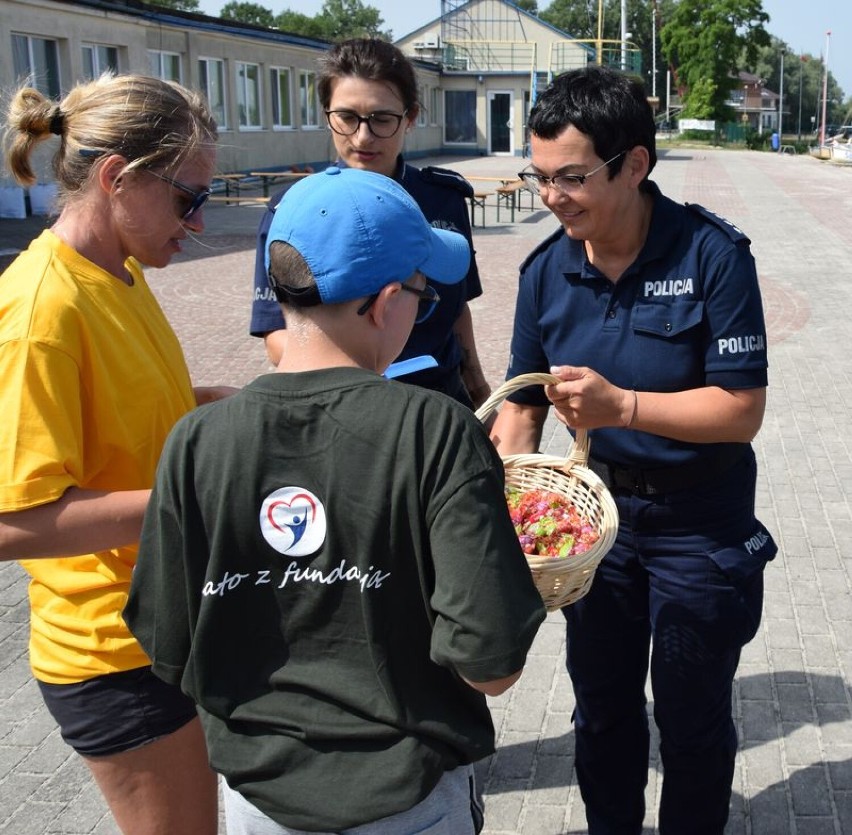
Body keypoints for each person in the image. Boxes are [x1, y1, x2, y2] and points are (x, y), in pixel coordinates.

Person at [124, 167, 546, 835]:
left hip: (258, 801)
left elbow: (167, 644)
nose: (423, 306)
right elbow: (491, 665)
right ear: (385, 303)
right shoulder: (434, 430)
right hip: (406, 799)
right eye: (423, 293)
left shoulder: (196, 440)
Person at [490, 65, 778, 834]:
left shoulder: (711, 255)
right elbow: (519, 412)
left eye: (573, 177)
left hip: (700, 524)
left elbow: (741, 409)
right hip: (600, 531)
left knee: (690, 720)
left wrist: (624, 406)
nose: (551, 197)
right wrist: (507, 515)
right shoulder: (545, 270)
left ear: (635, 165)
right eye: (540, 176)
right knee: (604, 711)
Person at [0, 74, 230, 833]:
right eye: (189, 198)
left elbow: (116, 417)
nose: (197, 223)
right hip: (111, 653)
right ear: (117, 178)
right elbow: (13, 521)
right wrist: (190, 498)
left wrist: (221, 409)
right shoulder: (40, 313)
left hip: (162, 621)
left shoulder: (118, 271)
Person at [250, 37, 491, 409]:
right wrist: (359, 383)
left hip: (441, 400)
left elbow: (456, 310)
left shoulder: (443, 199)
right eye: (347, 117)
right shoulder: (293, 213)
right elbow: (277, 331)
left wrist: (479, 391)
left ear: (410, 118)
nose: (363, 137)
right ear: (326, 113)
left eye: (381, 119)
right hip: (344, 409)